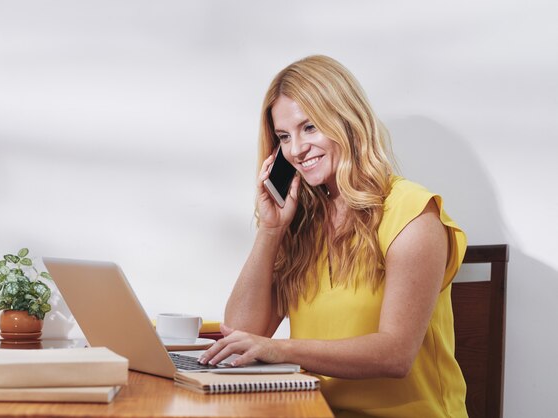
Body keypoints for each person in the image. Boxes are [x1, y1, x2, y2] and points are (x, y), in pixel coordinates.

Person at [199, 55, 468, 418]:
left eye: (309, 127)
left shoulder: (412, 215)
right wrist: (271, 229)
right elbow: (242, 331)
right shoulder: (303, 223)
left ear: (347, 121)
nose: (295, 150)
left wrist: (281, 349)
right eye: (283, 137)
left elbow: (395, 355)